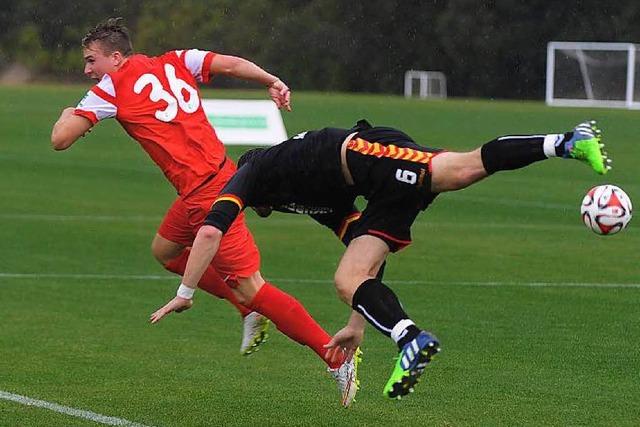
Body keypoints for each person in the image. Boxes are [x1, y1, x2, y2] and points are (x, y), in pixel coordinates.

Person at [149, 118, 610, 400]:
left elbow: (210, 229)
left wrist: (185, 292)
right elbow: (360, 247)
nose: (262, 212)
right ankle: (409, 338)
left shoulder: (253, 172)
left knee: (461, 169)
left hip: (370, 154)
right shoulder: (306, 199)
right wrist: (355, 324)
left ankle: (569, 141)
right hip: (380, 189)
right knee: (349, 278)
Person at [50, 17, 359, 407]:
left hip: (205, 195)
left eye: (91, 60)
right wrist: (270, 79)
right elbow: (229, 64)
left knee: (253, 287)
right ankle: (245, 311)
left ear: (115, 57)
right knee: (166, 251)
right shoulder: (175, 59)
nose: (87, 69)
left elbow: (60, 140)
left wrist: (67, 113)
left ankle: (334, 356)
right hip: (219, 176)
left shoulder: (109, 89)